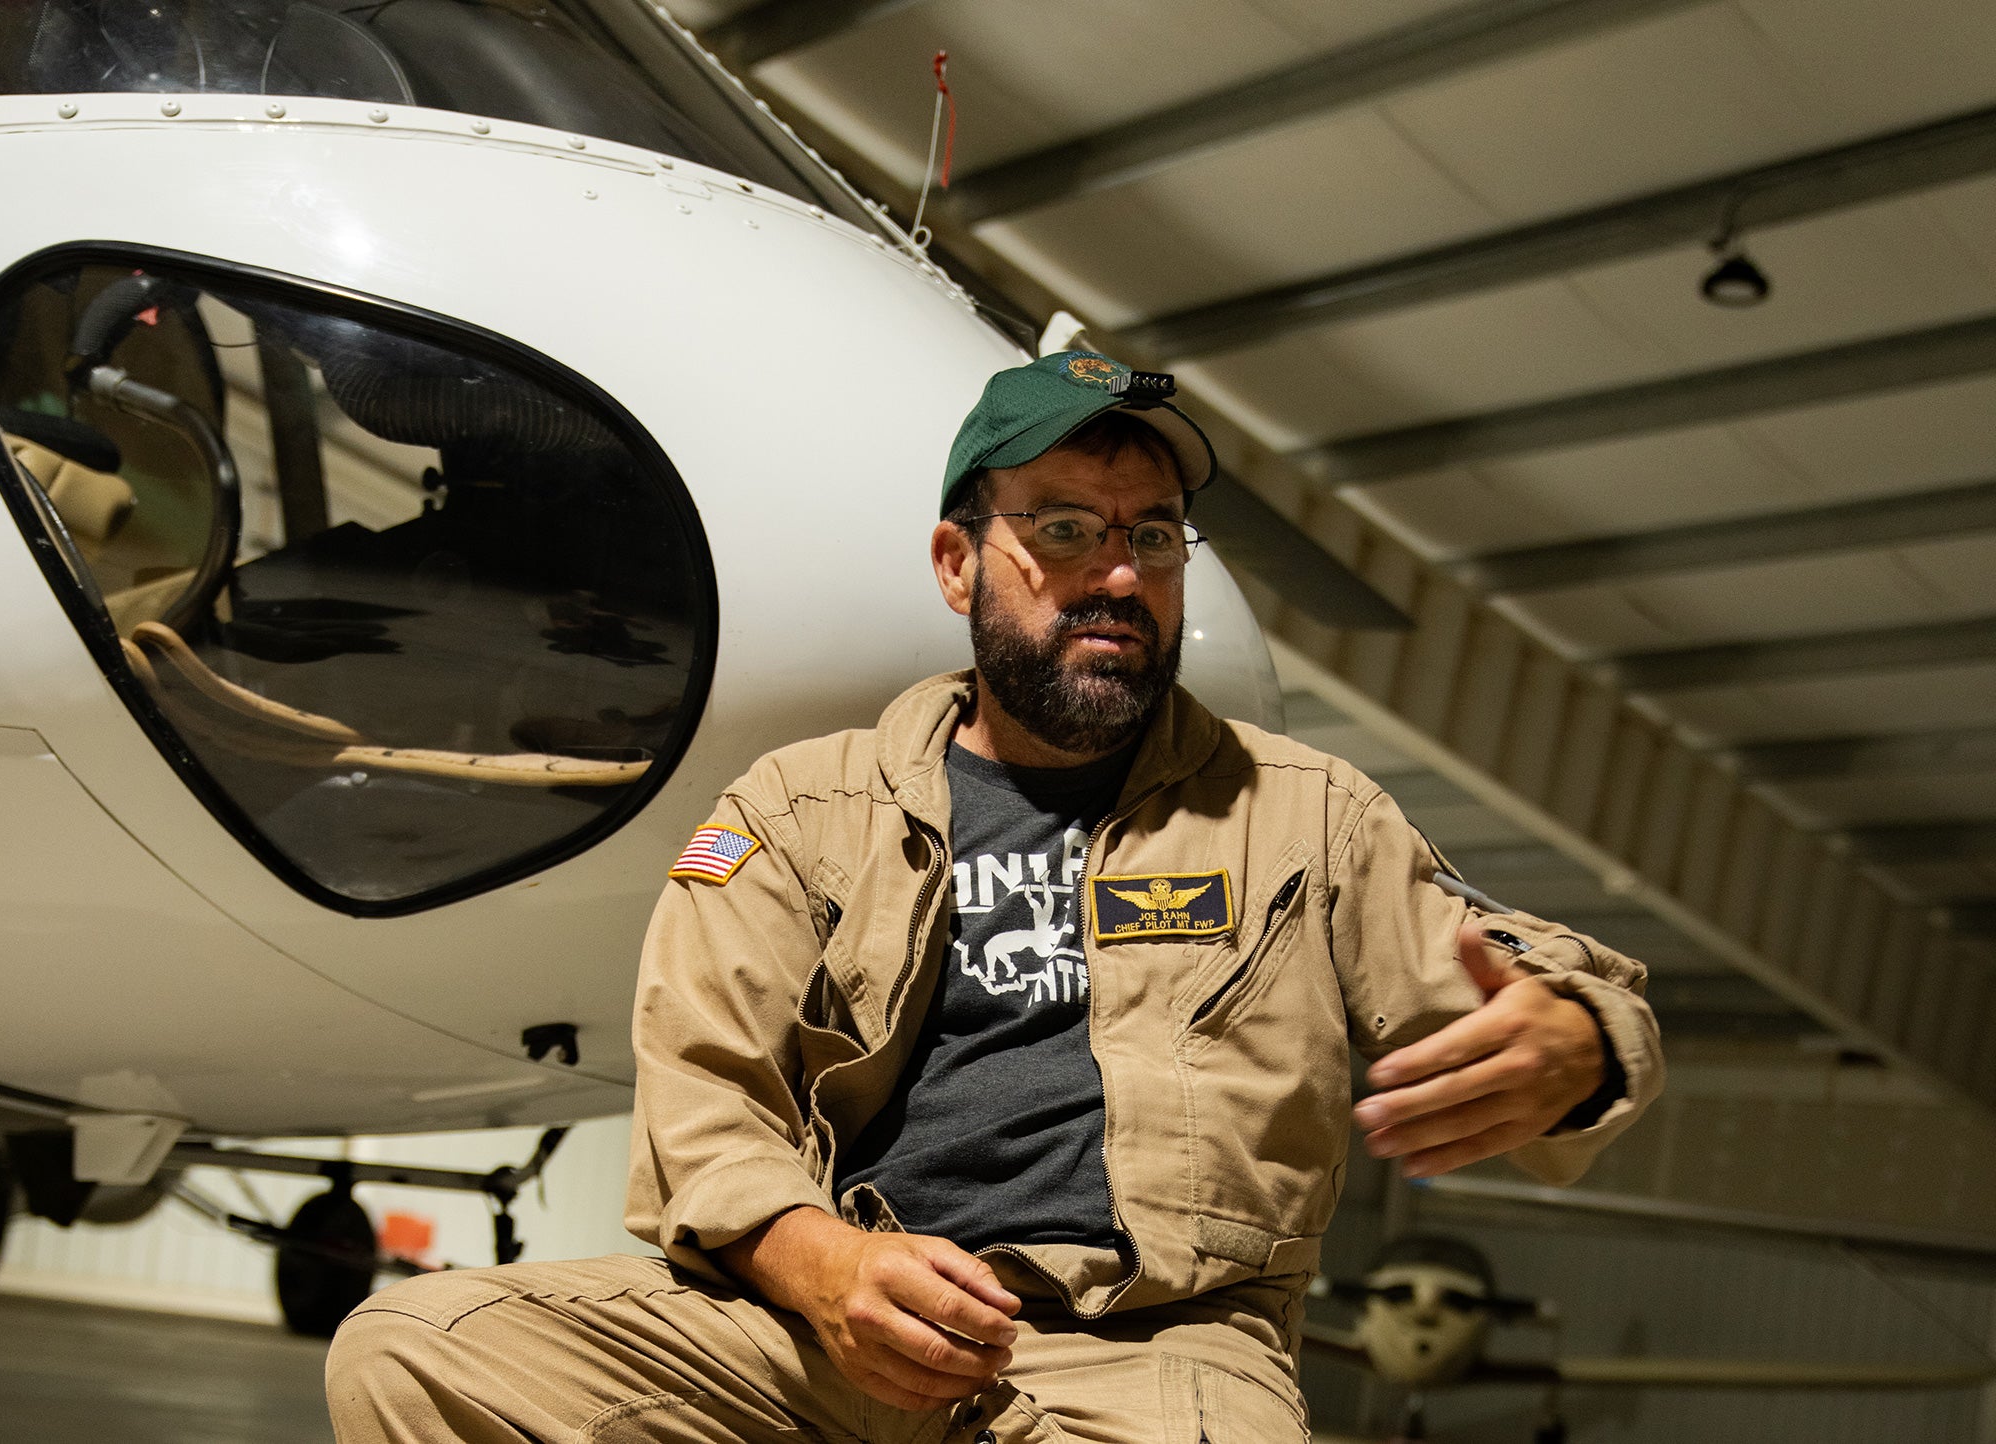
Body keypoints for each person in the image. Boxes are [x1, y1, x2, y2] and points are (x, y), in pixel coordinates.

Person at [326, 351, 1661, 1443]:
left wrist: (1582, 1043)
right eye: (1065, 530)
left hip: (1144, 1353)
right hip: (829, 1329)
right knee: (415, 1352)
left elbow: (1529, 975)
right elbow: (706, 1107)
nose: (1120, 573)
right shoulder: (785, 814)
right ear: (958, 566)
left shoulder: (1308, 815)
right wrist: (829, 1271)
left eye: (1152, 536)